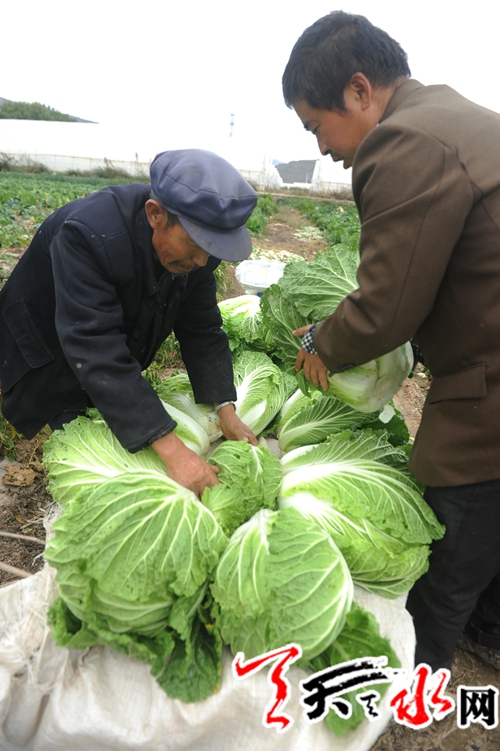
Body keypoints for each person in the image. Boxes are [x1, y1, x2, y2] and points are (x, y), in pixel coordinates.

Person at [282, 11, 500, 672]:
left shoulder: (403, 140)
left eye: (316, 126)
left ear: (359, 90)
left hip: (490, 380)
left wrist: (324, 343)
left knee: (453, 514)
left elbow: (387, 305)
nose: (322, 148)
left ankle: (419, 670)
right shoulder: (460, 117)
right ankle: (489, 627)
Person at [0, 149, 258, 498]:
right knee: (82, 433)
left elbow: (202, 328)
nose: (203, 260)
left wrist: (225, 408)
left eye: (213, 249)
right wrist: (173, 451)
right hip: (48, 340)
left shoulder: (199, 252)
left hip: (95, 338)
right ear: (155, 214)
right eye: (195, 244)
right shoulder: (89, 234)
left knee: (117, 415)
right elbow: (95, 346)